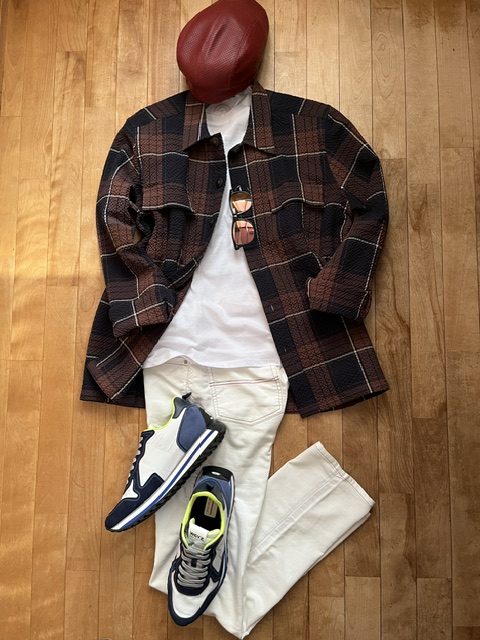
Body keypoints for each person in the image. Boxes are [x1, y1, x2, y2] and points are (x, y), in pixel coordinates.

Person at [81, 0, 389, 636]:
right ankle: (325, 496)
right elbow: (113, 216)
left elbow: (371, 200)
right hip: (166, 346)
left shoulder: (316, 128)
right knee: (206, 576)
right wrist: (146, 296)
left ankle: (192, 450)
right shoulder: (146, 132)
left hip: (266, 352)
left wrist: (336, 291)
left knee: (188, 571)